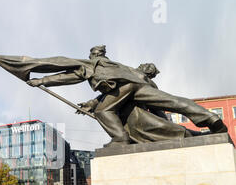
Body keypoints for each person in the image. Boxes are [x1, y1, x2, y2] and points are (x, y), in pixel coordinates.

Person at [26, 45, 227, 147]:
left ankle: (120, 139)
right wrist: (90, 102)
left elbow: (67, 77)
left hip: (121, 88)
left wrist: (41, 81)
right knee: (173, 101)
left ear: (92, 55)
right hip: (134, 86)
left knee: (104, 111)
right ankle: (211, 118)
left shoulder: (91, 64)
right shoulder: (119, 66)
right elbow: (123, 93)